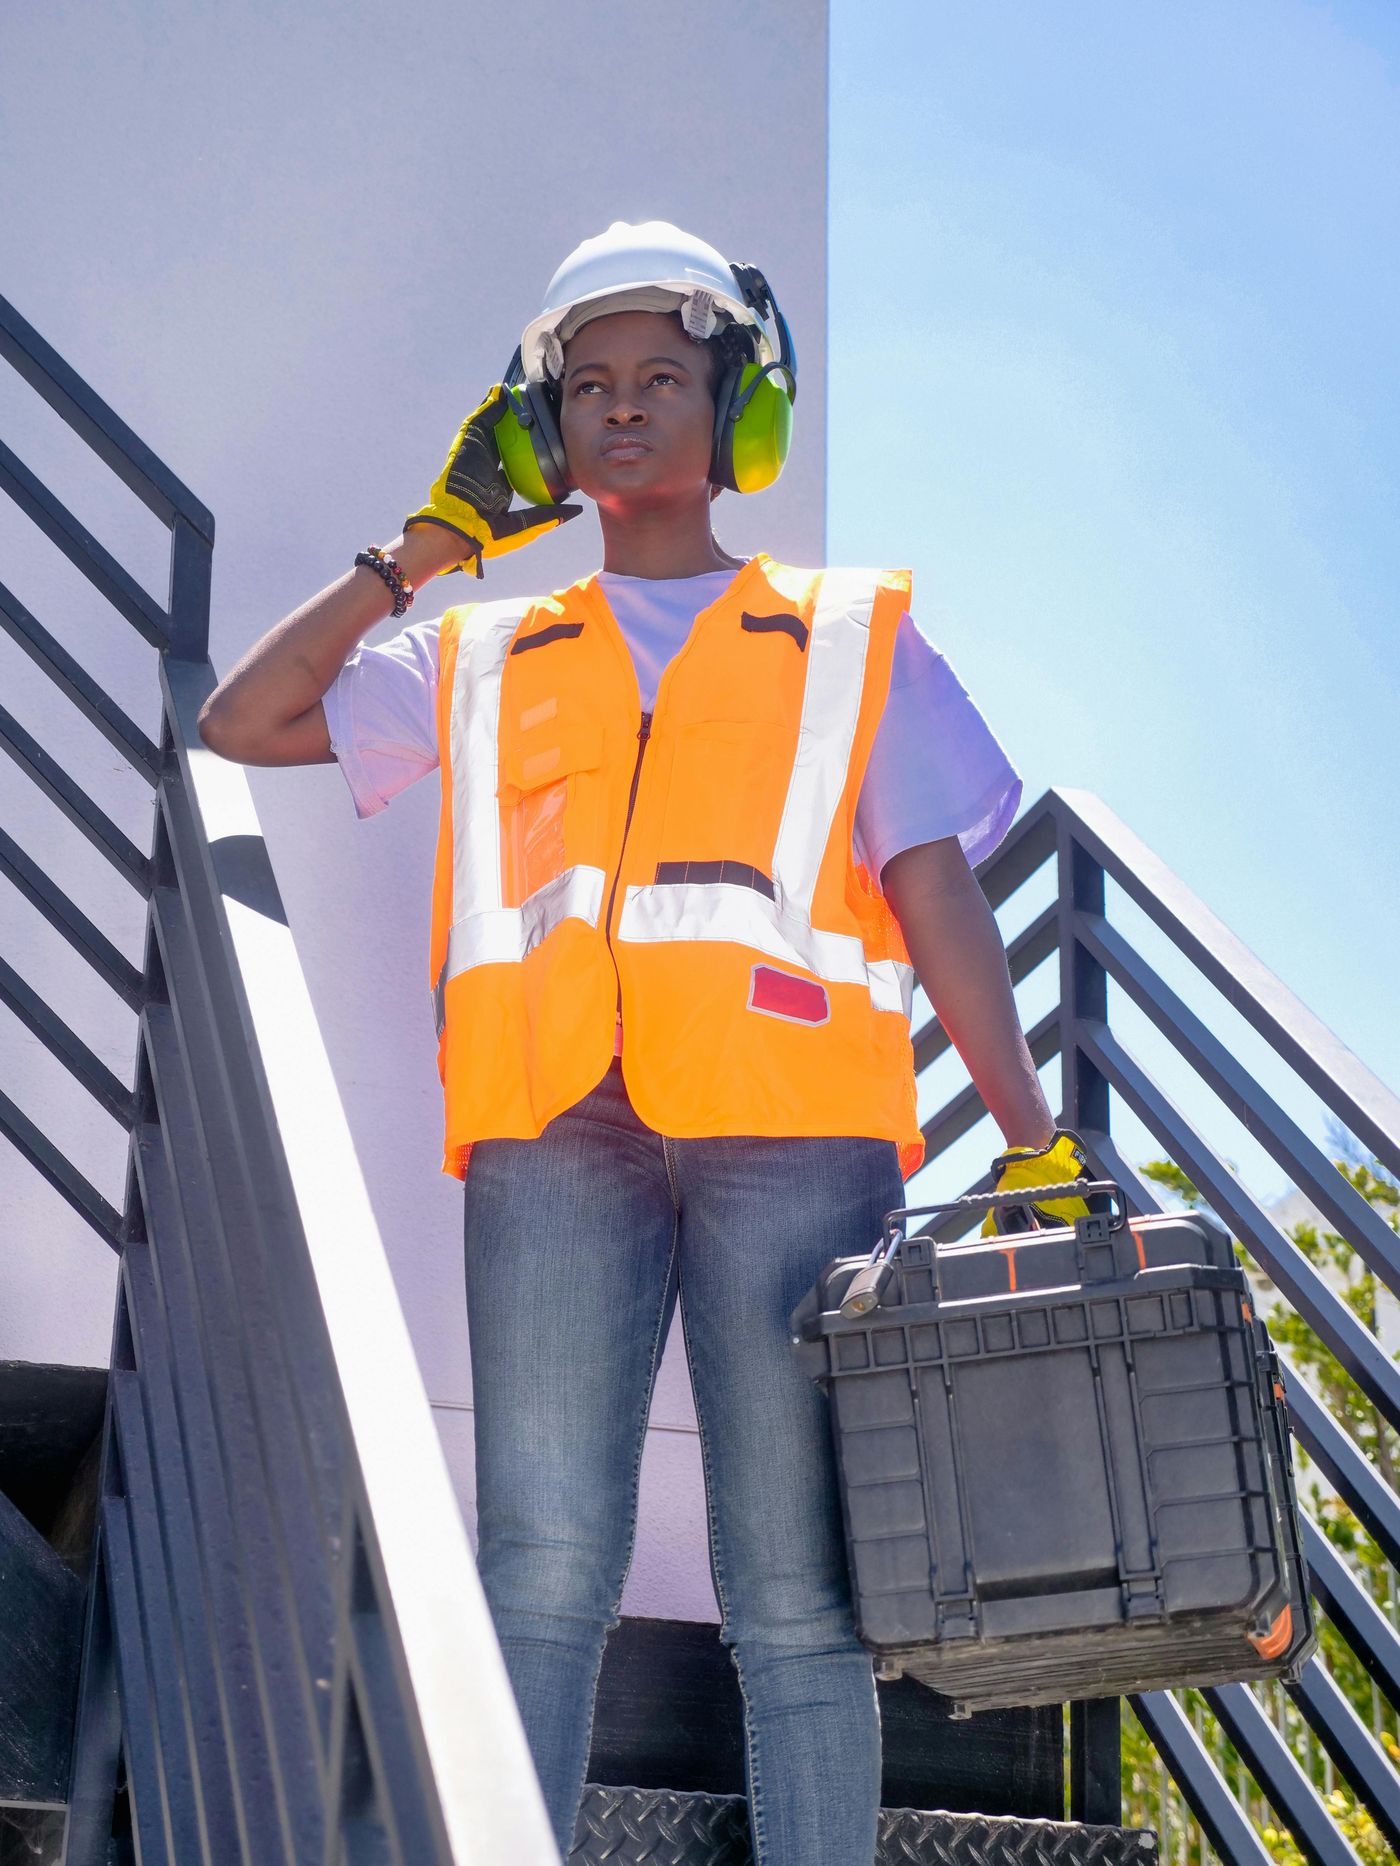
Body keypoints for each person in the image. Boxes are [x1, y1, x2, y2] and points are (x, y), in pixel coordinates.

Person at [198, 220, 1091, 1866]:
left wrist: (1032, 1137)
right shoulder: (482, 654)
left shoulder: (846, 638)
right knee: (537, 1572)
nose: (622, 408)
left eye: (662, 378)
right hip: (559, 1138)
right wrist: (427, 542)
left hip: (795, 1147)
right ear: (543, 435)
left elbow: (933, 888)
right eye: (587, 386)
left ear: (735, 412)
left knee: (798, 1597)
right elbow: (242, 721)